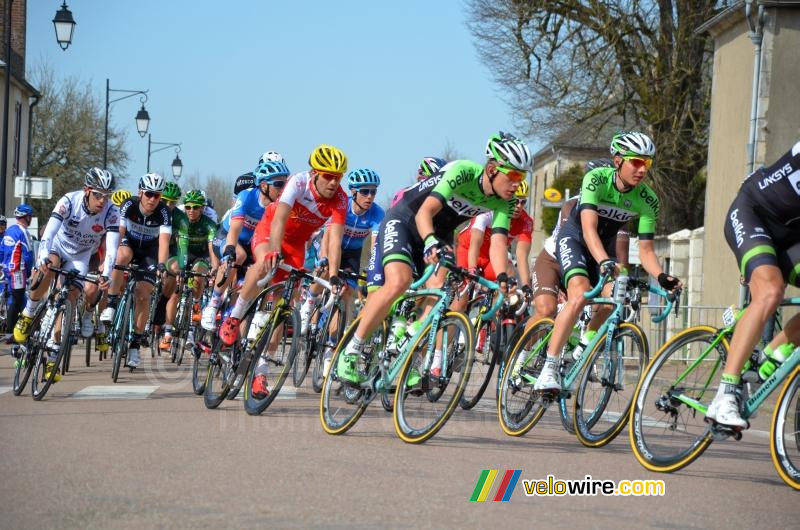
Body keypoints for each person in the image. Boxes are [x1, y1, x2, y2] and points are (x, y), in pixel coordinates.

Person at [339, 132, 531, 383]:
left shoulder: (505, 203)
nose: (517, 183)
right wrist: (429, 243)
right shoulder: (464, 172)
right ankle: (351, 351)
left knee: (441, 291)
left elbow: (497, 243)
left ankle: (407, 345)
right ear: (493, 169)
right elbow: (424, 212)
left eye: (523, 177)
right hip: (407, 220)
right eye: (514, 175)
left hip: (439, 233)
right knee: (400, 281)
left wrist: (504, 275)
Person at [534, 132, 681, 392]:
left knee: (614, 295)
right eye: (635, 162)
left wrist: (661, 276)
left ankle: (584, 345)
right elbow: (589, 229)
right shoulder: (597, 179)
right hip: (577, 239)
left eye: (646, 163)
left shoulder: (648, 200)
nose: (641, 169)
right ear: (617, 161)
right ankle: (549, 367)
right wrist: (604, 261)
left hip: (603, 250)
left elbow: (645, 250)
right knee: (579, 295)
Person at [219, 145, 349, 399]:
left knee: (279, 308)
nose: (334, 182)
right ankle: (234, 318)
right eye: (328, 176)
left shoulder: (341, 199)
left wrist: (333, 274)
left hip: (296, 247)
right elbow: (278, 219)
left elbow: (335, 239)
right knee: (263, 266)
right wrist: (274, 251)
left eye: (338, 177)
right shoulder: (298, 183)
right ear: (314, 173)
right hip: (270, 234)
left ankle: (260, 373)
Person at [706, 140, 800, 429]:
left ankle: (769, 357)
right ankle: (725, 394)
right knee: (771, 291)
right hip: (753, 213)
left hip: (791, 236)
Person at [14, 169, 119, 380]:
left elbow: (113, 248)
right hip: (57, 248)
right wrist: (43, 255)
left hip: (79, 258)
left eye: (106, 196)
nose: (102, 200)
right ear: (87, 191)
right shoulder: (69, 201)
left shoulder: (111, 212)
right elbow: (50, 232)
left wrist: (106, 273)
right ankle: (28, 313)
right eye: (98, 194)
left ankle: (53, 352)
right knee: (48, 267)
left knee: (69, 300)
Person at [303, 168, 385, 374]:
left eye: (373, 192)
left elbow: (376, 245)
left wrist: (374, 270)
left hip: (352, 255)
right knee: (323, 271)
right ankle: (310, 301)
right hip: (332, 245)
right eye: (365, 191)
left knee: (347, 294)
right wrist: (324, 259)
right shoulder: (342, 206)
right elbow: (329, 237)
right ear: (354, 192)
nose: (370, 196)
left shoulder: (377, 213)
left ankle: (331, 350)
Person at [200, 160, 291, 330]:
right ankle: (213, 303)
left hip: (252, 245)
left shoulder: (279, 206)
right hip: (228, 237)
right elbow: (234, 229)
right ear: (263, 185)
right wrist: (229, 251)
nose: (283, 189)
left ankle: (235, 328)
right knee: (238, 255)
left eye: (285, 184)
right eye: (279, 184)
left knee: (255, 277)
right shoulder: (247, 196)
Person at [100, 173, 172, 369]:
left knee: (143, 294)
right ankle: (112, 304)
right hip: (129, 245)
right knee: (121, 256)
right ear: (140, 192)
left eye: (157, 195)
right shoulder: (128, 205)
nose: (152, 199)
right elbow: (118, 234)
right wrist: (108, 259)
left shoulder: (164, 212)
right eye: (149, 194)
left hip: (150, 251)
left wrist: (161, 265)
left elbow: (164, 242)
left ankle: (134, 344)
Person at [160, 190, 219, 350]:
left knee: (199, 276)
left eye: (196, 207)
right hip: (181, 253)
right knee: (175, 291)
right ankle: (167, 332)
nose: (191, 210)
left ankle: (197, 304)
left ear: (202, 209)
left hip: (200, 256)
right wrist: (179, 268)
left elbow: (212, 248)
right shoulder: (180, 220)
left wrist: (215, 266)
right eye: (188, 207)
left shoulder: (209, 224)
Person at [2, 205, 34, 344]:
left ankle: (17, 331)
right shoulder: (18, 232)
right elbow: (23, 254)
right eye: (30, 216)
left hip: (16, 269)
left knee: (19, 299)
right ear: (27, 217)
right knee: (17, 299)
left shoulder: (16, 231)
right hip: (17, 270)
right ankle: (10, 332)